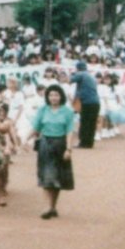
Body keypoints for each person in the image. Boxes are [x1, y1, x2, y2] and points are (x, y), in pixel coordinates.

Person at [32, 85, 77, 220]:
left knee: (57, 177)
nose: (53, 98)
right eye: (51, 95)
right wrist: (24, 140)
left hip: (60, 144)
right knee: (47, 175)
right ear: (47, 97)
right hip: (46, 144)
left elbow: (70, 131)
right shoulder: (43, 110)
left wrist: (69, 149)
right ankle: (47, 206)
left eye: (56, 95)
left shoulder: (67, 112)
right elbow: (36, 128)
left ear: (61, 96)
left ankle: (52, 206)